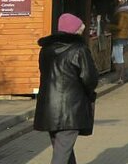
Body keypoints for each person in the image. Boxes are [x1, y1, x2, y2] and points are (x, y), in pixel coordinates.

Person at [34, 13, 99, 164]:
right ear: (74, 31)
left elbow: (44, 73)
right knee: (62, 152)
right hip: (71, 107)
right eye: (80, 30)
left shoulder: (46, 49)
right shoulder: (79, 49)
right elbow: (89, 78)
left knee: (62, 148)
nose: (81, 33)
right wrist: (89, 93)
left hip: (49, 107)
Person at [107, 0, 128, 84]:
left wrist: (109, 26)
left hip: (119, 37)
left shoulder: (122, 14)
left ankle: (120, 78)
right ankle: (119, 77)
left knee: (118, 59)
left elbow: (119, 27)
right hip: (124, 38)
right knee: (116, 58)